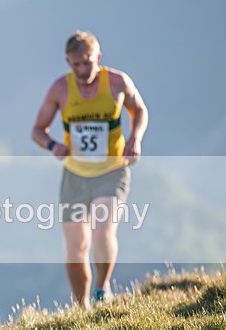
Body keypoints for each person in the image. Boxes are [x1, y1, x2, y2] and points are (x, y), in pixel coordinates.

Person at [31, 31, 148, 310]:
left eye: (88, 62)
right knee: (75, 247)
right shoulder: (60, 89)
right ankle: (81, 306)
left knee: (102, 231)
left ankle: (101, 287)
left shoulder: (118, 82)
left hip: (112, 170)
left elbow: (139, 110)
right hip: (75, 175)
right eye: (76, 64)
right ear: (68, 62)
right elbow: (37, 130)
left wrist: (135, 139)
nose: (83, 70)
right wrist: (53, 145)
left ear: (98, 57)